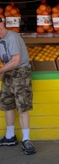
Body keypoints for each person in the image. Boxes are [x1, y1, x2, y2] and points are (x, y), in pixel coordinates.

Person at [0, 18, 36, 155]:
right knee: (7, 104)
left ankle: (26, 139)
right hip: (7, 74)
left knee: (22, 107)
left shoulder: (12, 38)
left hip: (20, 73)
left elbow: (16, 61)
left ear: (2, 25)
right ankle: (10, 136)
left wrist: (0, 71)